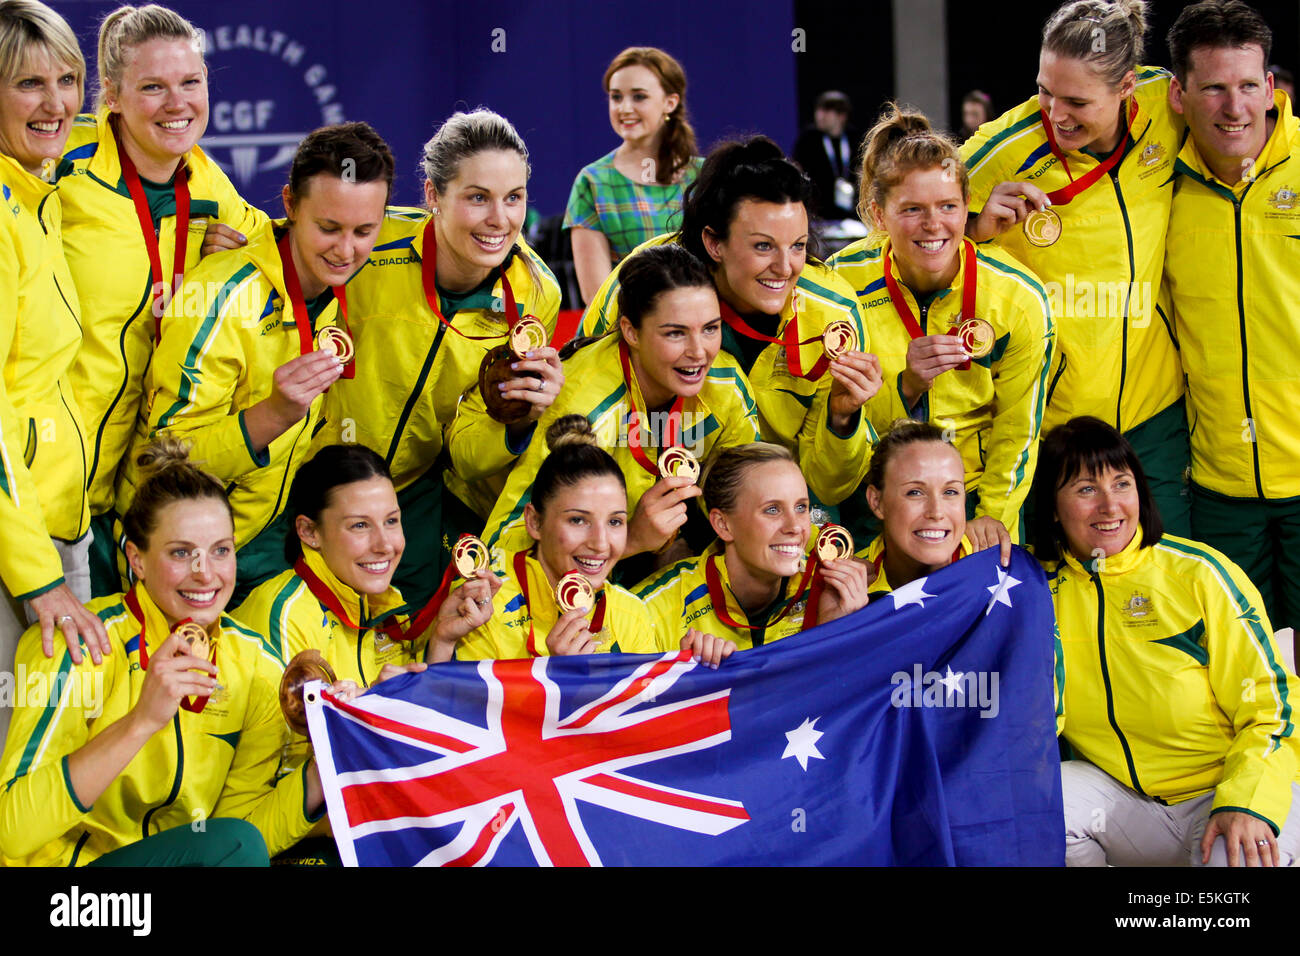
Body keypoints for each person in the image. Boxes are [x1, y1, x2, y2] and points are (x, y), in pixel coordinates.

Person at [0, 441, 326, 866]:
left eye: (220, 550)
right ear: (136, 558)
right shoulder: (78, 643)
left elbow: (241, 833)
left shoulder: (256, 665)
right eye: (181, 552)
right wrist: (141, 721)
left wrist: (324, 772)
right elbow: (11, 831)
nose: (204, 572)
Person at [117, 122, 394, 602]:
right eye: (328, 228)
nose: (345, 250)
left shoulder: (356, 286)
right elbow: (157, 466)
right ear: (288, 204)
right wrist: (271, 417)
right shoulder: (221, 297)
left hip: (275, 547)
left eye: (364, 231)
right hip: (185, 559)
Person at [59, 4, 268, 597]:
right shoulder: (61, 166)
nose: (177, 103)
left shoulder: (207, 184)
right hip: (46, 486)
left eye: (191, 83)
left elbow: (295, 244)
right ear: (113, 96)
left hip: (136, 492)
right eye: (153, 87)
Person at [311, 109, 560, 604]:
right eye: (477, 198)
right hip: (310, 485)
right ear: (432, 196)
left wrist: (517, 419)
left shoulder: (535, 294)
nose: (499, 219)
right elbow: (285, 241)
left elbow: (467, 452)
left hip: (412, 498)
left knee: (408, 651)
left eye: (514, 198)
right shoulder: (367, 240)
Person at [961, 0, 1190, 534]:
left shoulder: (1166, 101)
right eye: (1045, 91)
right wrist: (973, 228)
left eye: (1077, 101)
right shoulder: (1004, 149)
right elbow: (898, 227)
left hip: (1155, 415)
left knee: (1160, 574)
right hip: (1053, 426)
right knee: (1065, 592)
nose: (1055, 113)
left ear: (1127, 88)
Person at [1032, 417, 1300, 866]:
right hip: (1127, 805)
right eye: (1085, 490)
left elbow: (1275, 705)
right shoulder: (1037, 591)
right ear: (1053, 507)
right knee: (1036, 806)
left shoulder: (1198, 574)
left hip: (1229, 794)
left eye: (1122, 484)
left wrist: (1246, 801)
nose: (1109, 505)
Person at [575, 137, 883, 513]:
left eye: (798, 246)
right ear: (713, 242)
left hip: (778, 511)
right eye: (763, 247)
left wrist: (843, 417)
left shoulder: (833, 313)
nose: (786, 268)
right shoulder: (646, 282)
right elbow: (583, 394)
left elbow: (829, 487)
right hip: (639, 499)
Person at [828, 104, 1055, 542]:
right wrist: (906, 386)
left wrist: (994, 514)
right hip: (872, 494)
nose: (934, 225)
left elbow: (1018, 430)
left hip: (972, 496)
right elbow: (835, 417)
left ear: (968, 205)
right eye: (912, 209)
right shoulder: (842, 284)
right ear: (879, 216)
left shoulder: (1018, 297)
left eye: (948, 206)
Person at [477, 244, 760, 565]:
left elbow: (754, 497)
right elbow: (508, 553)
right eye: (675, 333)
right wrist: (633, 540)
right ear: (631, 332)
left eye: (710, 328)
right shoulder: (580, 411)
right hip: (486, 522)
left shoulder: (725, 383)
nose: (699, 352)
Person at [1162, 0, 1300, 643]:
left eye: (1249, 85)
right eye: (1213, 87)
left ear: (1271, 89)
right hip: (1219, 487)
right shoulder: (1158, 188)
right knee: (1240, 665)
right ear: (1178, 96)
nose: (1234, 107)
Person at [0, 0, 110, 746]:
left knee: (53, 754)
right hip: (17, 550)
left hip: (59, 525)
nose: (57, 103)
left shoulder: (38, 195)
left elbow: (145, 134)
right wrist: (37, 577)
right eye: (29, 84)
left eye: (68, 80)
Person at [235, 443, 498, 683]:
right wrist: (375, 707)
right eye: (360, 525)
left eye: (391, 521)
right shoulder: (284, 617)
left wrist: (442, 639)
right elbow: (285, 735)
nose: (385, 545)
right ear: (309, 532)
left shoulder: (383, 603)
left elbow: (419, 721)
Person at [456, 416, 662, 661]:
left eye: (614, 521)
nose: (600, 543)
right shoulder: (485, 604)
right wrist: (555, 678)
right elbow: (460, 699)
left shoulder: (631, 615)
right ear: (535, 522)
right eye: (578, 520)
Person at [636, 442, 871, 653]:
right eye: (772, 509)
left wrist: (834, 632)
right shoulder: (650, 611)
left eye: (801, 508)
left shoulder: (834, 593)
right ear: (723, 524)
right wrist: (684, 678)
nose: (795, 527)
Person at [566, 47, 701, 305]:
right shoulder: (592, 182)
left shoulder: (705, 176)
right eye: (616, 97)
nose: (624, 108)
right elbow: (597, 297)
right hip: (629, 330)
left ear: (670, 103)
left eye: (639, 97)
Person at [857, 420, 1011, 594]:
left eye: (951, 492)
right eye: (915, 492)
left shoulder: (1005, 573)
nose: (936, 512)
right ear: (877, 501)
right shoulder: (851, 587)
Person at [791, 90, 862, 219]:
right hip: (818, 213)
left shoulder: (854, 138)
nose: (819, 115)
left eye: (826, 111)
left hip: (851, 213)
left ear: (841, 116)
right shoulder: (808, 139)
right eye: (818, 110)